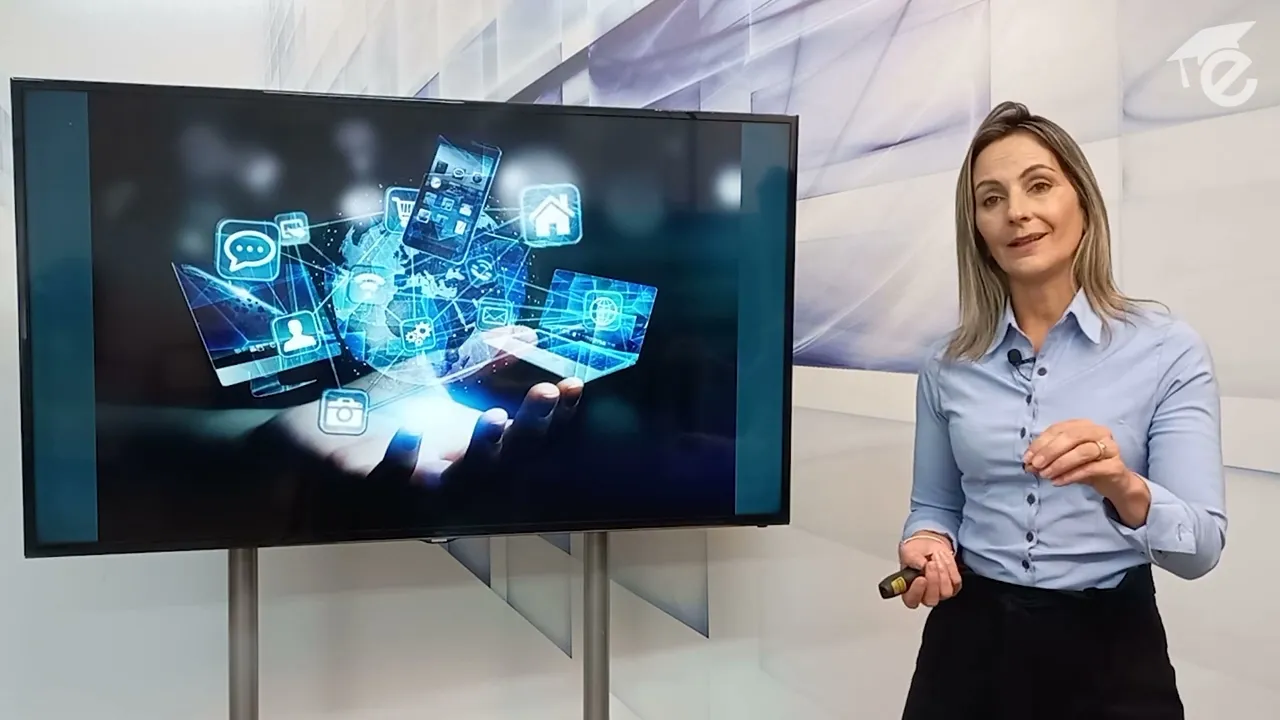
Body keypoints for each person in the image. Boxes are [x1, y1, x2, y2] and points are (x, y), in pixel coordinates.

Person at [897, 101, 1226, 720]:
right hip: (968, 647)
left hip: (1111, 651)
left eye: (1039, 185)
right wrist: (927, 542)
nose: (1016, 212)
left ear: (1084, 202)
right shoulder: (946, 364)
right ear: (977, 228)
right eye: (991, 199)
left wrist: (1121, 484)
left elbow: (1201, 550)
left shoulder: (1167, 350)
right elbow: (935, 506)